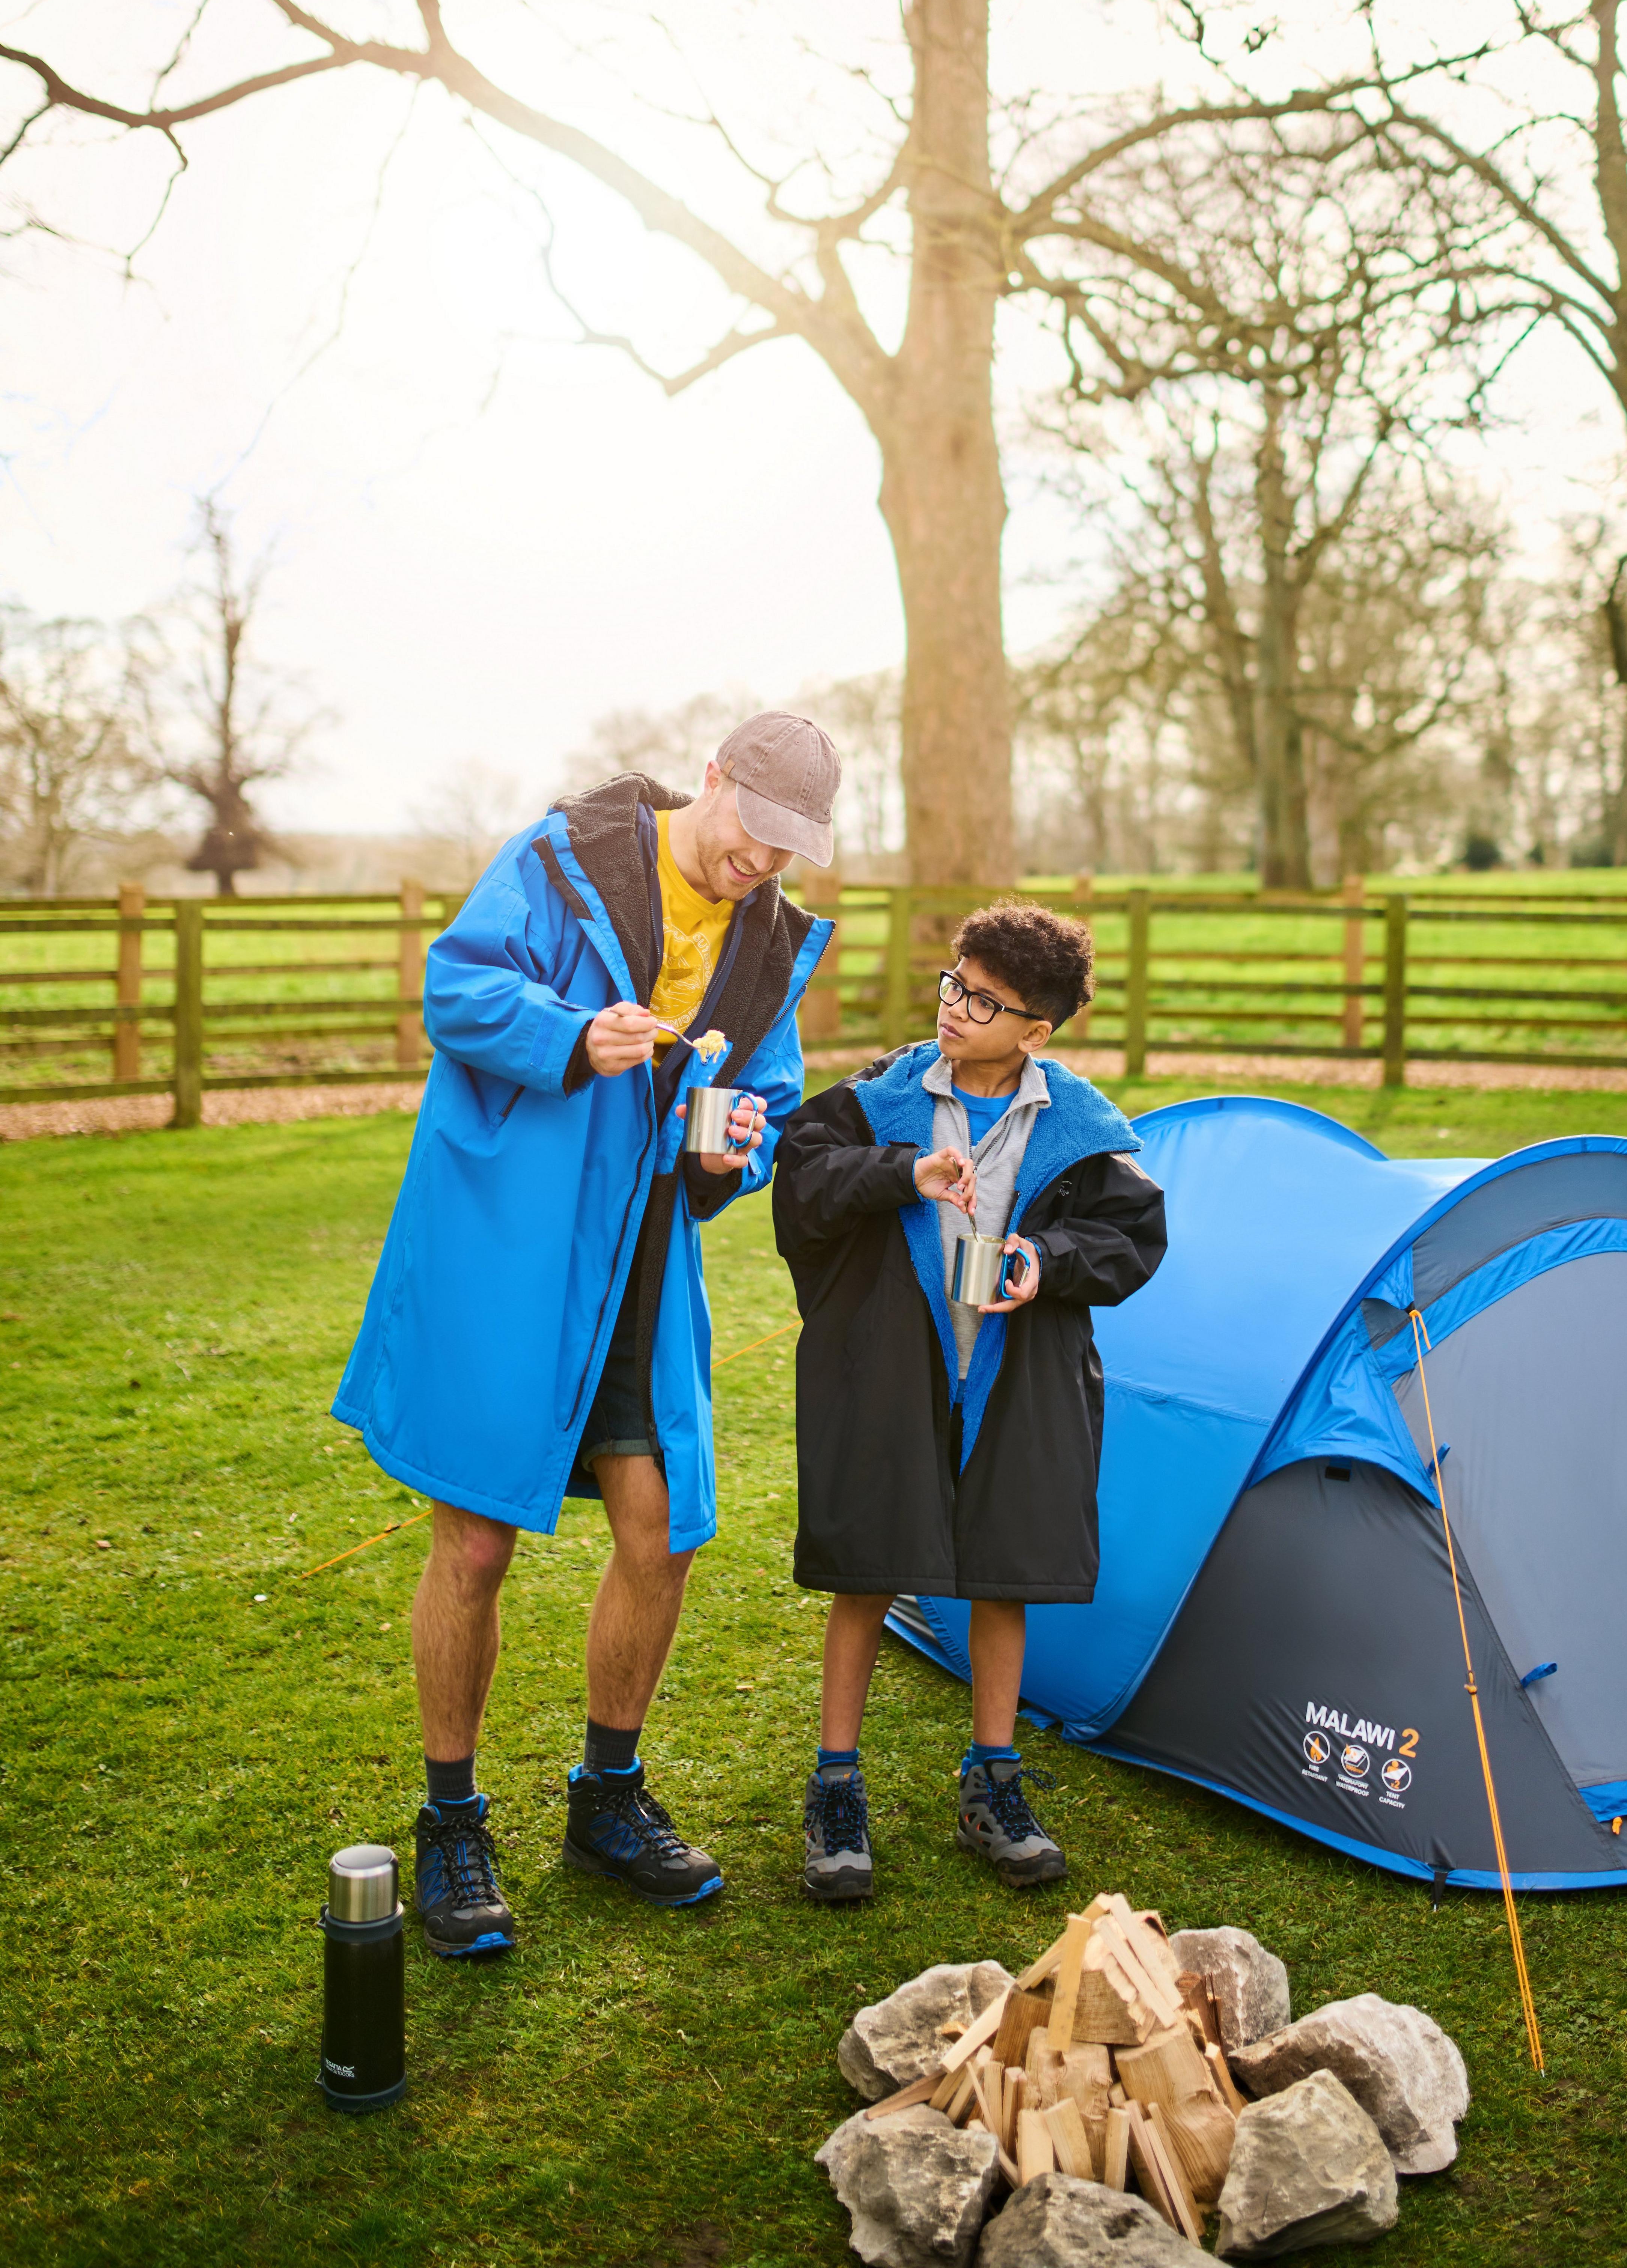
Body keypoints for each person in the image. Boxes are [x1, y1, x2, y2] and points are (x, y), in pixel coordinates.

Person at [332, 712, 840, 1959]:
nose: (759, 866)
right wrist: (570, 1037)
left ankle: (606, 1798)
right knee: (474, 1542)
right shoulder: (564, 857)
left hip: (649, 1257)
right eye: (751, 835)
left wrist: (739, 1141)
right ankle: (452, 1818)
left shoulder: (770, 940)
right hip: (511, 1245)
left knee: (662, 1530)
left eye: (788, 851)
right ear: (712, 780)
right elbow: (458, 986)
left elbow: (767, 1085)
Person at [773, 899, 1166, 1900]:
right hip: (890, 1370)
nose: (955, 1008)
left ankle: (993, 1779)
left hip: (1016, 1376)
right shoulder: (880, 1097)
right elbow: (804, 1181)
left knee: (1004, 1573)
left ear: (1036, 1031)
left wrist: (1048, 1260)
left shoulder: (1080, 1129)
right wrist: (902, 1174)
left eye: (985, 1003)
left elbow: (1130, 1243)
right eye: (955, 982)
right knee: (868, 1569)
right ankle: (836, 1788)